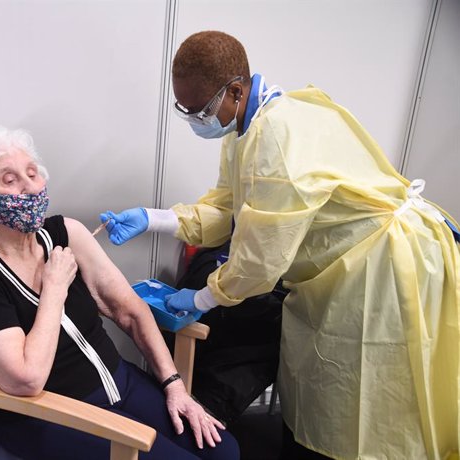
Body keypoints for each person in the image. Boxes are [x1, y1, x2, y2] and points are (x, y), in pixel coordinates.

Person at [100, 31, 460, 460]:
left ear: (235, 90)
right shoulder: (247, 128)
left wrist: (200, 297)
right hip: (342, 267)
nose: (195, 118)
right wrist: (153, 219)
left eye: (199, 109)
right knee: (333, 395)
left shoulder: (276, 142)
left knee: (378, 409)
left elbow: (258, 260)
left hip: (380, 270)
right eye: (185, 110)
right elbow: (227, 212)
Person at [0, 125, 240, 460]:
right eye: (10, 180)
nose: (29, 188)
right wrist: (55, 288)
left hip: (119, 381)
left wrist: (174, 386)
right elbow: (26, 380)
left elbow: (129, 309)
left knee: (224, 451)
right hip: (50, 414)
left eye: (32, 173)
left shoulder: (65, 231)